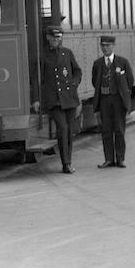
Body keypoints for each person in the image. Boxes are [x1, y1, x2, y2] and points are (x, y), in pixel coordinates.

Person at [36, 24, 82, 174]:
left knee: (69, 131)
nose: (56, 40)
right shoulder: (42, 55)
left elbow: (77, 71)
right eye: (53, 37)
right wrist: (36, 99)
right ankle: (65, 163)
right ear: (48, 37)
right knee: (62, 129)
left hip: (69, 98)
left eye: (58, 37)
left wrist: (73, 84)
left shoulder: (67, 53)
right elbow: (36, 79)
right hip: (54, 100)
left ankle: (68, 162)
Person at [91, 34, 134, 168]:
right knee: (106, 130)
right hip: (104, 100)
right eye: (103, 46)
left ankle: (120, 159)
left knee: (119, 130)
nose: (105, 48)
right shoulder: (97, 64)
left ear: (113, 46)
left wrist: (121, 94)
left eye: (108, 46)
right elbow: (94, 81)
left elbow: (129, 81)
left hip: (118, 101)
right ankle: (109, 159)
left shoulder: (123, 62)